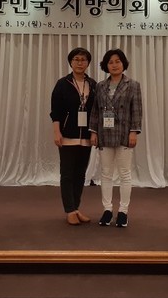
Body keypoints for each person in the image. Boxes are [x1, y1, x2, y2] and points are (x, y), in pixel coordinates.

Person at [89, 48, 142, 228]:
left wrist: (134, 132)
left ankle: (123, 211)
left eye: (117, 61)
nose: (114, 65)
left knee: (125, 173)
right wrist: (93, 132)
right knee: (106, 173)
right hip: (104, 133)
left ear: (123, 63)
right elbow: (95, 111)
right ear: (106, 65)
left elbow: (136, 111)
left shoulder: (133, 85)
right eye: (110, 62)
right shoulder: (100, 86)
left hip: (124, 133)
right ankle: (107, 209)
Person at [50, 47, 97, 226]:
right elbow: (56, 111)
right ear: (71, 62)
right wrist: (57, 132)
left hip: (86, 136)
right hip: (67, 135)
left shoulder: (93, 84)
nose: (80, 62)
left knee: (80, 174)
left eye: (83, 60)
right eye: (76, 59)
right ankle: (69, 210)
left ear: (88, 63)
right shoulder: (62, 84)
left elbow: (96, 112)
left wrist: (94, 132)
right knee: (67, 174)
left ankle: (76, 208)